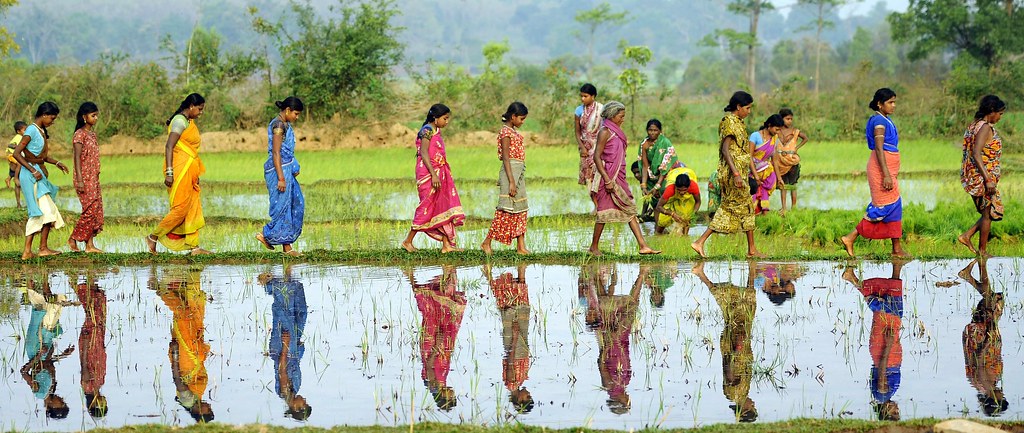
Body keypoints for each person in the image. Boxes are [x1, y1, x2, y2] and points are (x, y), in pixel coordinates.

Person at [691, 91, 763, 258]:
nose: (749, 111)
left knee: (746, 208)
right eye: (747, 108)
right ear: (738, 107)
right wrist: (736, 173)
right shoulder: (729, 122)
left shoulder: (739, 122)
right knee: (733, 208)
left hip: (740, 173)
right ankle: (700, 242)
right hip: (733, 174)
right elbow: (725, 149)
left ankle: (751, 249)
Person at [840, 88, 910, 259]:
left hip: (888, 168)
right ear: (880, 103)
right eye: (890, 102)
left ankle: (896, 249)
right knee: (883, 207)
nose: (893, 105)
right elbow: (879, 148)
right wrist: (886, 174)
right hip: (881, 169)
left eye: (894, 102)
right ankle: (850, 237)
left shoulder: (885, 119)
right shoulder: (879, 120)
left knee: (895, 206)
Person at [587, 101, 661, 256]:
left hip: (618, 177)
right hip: (607, 177)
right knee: (603, 213)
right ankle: (594, 247)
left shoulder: (616, 132)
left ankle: (642, 246)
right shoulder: (605, 132)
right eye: (621, 116)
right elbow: (597, 157)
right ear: (613, 116)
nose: (623, 119)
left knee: (629, 209)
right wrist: (607, 179)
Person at [692, 261, 758, 422]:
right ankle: (751, 269)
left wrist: (736, 349)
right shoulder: (736, 394)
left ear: (746, 408)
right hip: (738, 344)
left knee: (738, 308)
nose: (754, 403)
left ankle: (701, 274)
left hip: (737, 344)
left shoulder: (735, 394)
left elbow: (729, 375)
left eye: (753, 407)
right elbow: (730, 375)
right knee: (742, 306)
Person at [146, 93, 211, 255]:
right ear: (191, 106)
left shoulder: (189, 121)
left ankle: (194, 246)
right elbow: (169, 146)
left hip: (189, 170)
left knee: (191, 207)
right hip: (178, 170)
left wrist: (195, 174)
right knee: (180, 209)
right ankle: (153, 236)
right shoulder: (179, 121)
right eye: (200, 109)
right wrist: (169, 173)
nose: (201, 112)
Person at [150, 266, 214, 423]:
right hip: (193, 349)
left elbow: (178, 380)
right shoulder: (197, 397)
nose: (210, 407)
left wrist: (176, 355)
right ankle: (187, 281)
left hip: (185, 355)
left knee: (184, 315)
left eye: (208, 411)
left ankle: (164, 292)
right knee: (194, 311)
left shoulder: (188, 401)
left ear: (200, 413)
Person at [842, 260, 904, 421]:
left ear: (884, 411)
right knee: (892, 307)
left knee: (890, 310)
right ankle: (897, 267)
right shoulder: (884, 396)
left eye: (894, 413)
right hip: (886, 351)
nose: (897, 409)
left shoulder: (882, 396)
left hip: (885, 351)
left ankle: (854, 280)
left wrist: (889, 343)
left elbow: (882, 368)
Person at [401, 104, 465, 253]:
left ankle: (446, 245)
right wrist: (434, 174)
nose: (447, 121)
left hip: (439, 172)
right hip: (428, 173)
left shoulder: (436, 130)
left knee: (443, 205)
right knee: (427, 206)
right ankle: (407, 241)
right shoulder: (427, 131)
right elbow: (424, 153)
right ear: (435, 118)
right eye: (445, 118)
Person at [13, 102, 68, 260]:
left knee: (47, 211)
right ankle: (31, 250)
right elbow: (17, 153)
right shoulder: (31, 130)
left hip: (36, 174)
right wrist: (33, 170)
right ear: (44, 115)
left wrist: (57, 163)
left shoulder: (40, 130)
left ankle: (39, 249)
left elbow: (41, 157)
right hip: (30, 175)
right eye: (52, 118)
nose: (53, 121)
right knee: (40, 212)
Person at [20, 270, 78, 420]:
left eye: (61, 404)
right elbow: (48, 363)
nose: (62, 400)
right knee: (49, 317)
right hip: (44, 350)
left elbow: (24, 372)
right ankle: (43, 280)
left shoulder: (39, 392)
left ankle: (31, 277)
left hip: (36, 348)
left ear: (52, 406)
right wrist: (63, 355)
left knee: (41, 314)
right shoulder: (51, 389)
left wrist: (38, 355)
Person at [407, 266, 465, 411]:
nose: (453, 393)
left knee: (433, 318)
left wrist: (437, 344)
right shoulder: (438, 383)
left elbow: (429, 365)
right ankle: (441, 280)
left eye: (451, 396)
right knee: (437, 318)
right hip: (437, 346)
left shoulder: (434, 383)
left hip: (434, 345)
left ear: (443, 396)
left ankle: (413, 278)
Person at [260, 266, 312, 420]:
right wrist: (298, 348)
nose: (305, 401)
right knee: (300, 313)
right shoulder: (293, 390)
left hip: (283, 348)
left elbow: (282, 370)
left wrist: (285, 344)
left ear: (296, 407)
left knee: (284, 312)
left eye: (304, 405)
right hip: (292, 348)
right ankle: (286, 279)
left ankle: (271, 284)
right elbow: (294, 365)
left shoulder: (285, 392)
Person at [256, 97, 305, 257]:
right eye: (296, 114)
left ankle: (286, 245)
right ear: (288, 110)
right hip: (278, 171)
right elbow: (276, 152)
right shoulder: (278, 125)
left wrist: (293, 166)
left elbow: (286, 150)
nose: (297, 117)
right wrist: (281, 177)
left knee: (293, 203)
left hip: (286, 170)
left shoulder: (285, 124)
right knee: (282, 207)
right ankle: (267, 235)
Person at [958, 95, 1006, 258]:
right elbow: (977, 154)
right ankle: (982, 251)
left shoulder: (974, 126)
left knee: (990, 211)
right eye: (999, 113)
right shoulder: (984, 127)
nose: (1000, 117)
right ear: (992, 111)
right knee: (987, 214)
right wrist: (987, 179)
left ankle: (968, 235)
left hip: (975, 175)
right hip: (982, 177)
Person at [959, 259, 1008, 416]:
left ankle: (978, 268)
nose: (1003, 395)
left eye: (1001, 398)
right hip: (984, 337)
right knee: (995, 300)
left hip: (981, 337)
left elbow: (978, 362)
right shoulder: (987, 385)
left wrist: (987, 341)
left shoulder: (983, 384)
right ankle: (972, 274)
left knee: (994, 300)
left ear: (994, 398)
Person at [483, 263, 534, 413]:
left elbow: (510, 361)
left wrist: (515, 337)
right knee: (519, 309)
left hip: (516, 348)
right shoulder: (516, 383)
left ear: (520, 399)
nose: (528, 394)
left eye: (527, 397)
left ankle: (491, 274)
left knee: (514, 312)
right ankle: (516, 273)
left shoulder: (512, 383)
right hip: (519, 348)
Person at [482, 102, 531, 255]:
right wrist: (511, 181)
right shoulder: (505, 133)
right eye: (521, 119)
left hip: (519, 172)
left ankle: (521, 246)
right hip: (510, 173)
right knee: (505, 209)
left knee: (521, 208)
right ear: (513, 116)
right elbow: (505, 157)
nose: (522, 122)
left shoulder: (513, 131)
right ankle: (486, 242)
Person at [68, 102, 105, 253]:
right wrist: (80, 180)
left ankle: (89, 246)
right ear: (84, 117)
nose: (96, 118)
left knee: (95, 210)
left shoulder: (92, 134)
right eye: (93, 115)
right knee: (89, 211)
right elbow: (77, 158)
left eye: (96, 115)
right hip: (84, 177)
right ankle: (73, 238)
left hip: (94, 177)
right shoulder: (79, 134)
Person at [73, 270, 109, 418]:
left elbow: (84, 365)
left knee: (92, 313)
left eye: (102, 405)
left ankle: (84, 285)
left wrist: (87, 344)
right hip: (96, 344)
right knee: (97, 312)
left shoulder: (88, 387)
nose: (104, 401)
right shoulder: (98, 386)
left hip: (90, 344)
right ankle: (91, 283)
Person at [749, 114, 784, 215]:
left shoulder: (774, 139)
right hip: (753, 172)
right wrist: (755, 176)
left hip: (767, 173)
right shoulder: (755, 136)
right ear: (769, 125)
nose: (777, 132)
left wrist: (779, 178)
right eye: (776, 129)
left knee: (764, 196)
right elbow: (749, 157)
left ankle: (764, 221)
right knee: (752, 196)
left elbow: (775, 160)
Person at [637, 118, 678, 204]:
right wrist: (644, 185)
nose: (652, 133)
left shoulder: (665, 143)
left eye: (655, 130)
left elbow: (665, 166)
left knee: (664, 193)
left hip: (666, 173)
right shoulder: (644, 144)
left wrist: (657, 185)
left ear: (660, 131)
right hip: (652, 175)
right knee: (653, 199)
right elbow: (645, 166)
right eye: (650, 130)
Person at [776, 108, 808, 211]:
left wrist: (796, 148)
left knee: (793, 184)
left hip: (792, 161)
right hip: (780, 161)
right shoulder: (777, 131)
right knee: (783, 185)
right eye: (787, 119)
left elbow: (805, 138)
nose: (790, 121)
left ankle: (794, 207)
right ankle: (784, 207)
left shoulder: (794, 131)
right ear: (781, 119)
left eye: (791, 119)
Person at [575, 83, 603, 195]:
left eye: (585, 96)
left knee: (599, 174)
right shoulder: (578, 110)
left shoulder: (601, 109)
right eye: (581, 96)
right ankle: (595, 205)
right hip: (585, 148)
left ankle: (601, 205)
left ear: (593, 96)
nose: (583, 99)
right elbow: (577, 131)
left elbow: (606, 129)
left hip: (599, 146)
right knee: (588, 176)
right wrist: (582, 147)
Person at [7, 120, 27, 207]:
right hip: (13, 156)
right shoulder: (18, 137)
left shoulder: (22, 137)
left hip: (15, 157)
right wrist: (17, 147)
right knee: (19, 165)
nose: (25, 131)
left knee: (18, 186)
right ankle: (15, 178)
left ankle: (19, 204)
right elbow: (10, 145)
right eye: (24, 130)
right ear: (19, 131)